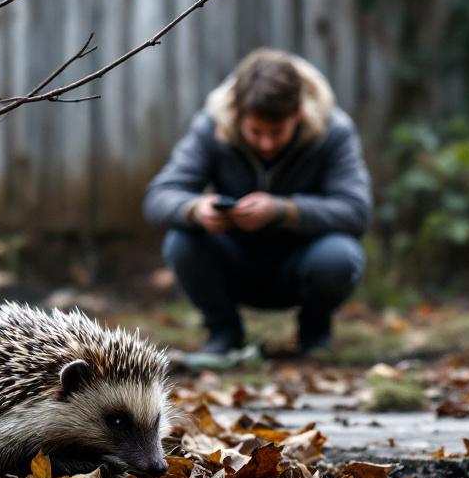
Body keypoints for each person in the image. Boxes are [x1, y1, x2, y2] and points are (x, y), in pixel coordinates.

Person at [143, 48, 371, 357]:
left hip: (305, 262)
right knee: (181, 241)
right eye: (256, 131)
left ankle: (315, 333)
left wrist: (284, 211)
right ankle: (223, 332)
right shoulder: (211, 126)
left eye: (277, 132)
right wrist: (196, 209)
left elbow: (356, 211)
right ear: (237, 115)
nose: (266, 143)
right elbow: (159, 196)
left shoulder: (334, 131)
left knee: (340, 255)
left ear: (299, 113)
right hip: (234, 261)